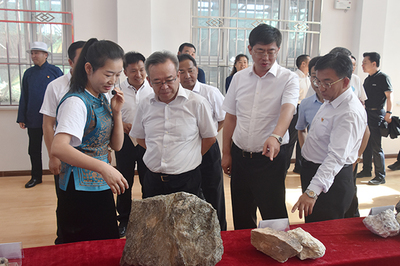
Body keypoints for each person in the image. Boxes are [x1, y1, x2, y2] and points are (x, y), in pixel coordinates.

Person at [51, 38, 129, 244]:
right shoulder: (76, 101)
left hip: (99, 184)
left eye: (117, 75)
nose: (112, 81)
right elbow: (59, 147)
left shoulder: (101, 97)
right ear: (88, 68)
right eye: (108, 74)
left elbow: (117, 145)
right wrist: (103, 168)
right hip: (79, 189)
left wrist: (117, 113)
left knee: (103, 244)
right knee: (83, 248)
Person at [221, 24, 299, 230]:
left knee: (273, 211)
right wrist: (227, 153)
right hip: (240, 156)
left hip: (270, 159)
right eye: (260, 51)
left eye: (271, 51)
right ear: (250, 50)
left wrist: (276, 136)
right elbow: (230, 118)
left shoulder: (288, 78)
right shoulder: (238, 79)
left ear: (278, 50)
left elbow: (288, 110)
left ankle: (279, 253)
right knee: (242, 211)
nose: (265, 57)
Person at [291, 53, 367, 223]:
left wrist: (312, 192)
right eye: (317, 81)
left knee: (325, 230)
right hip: (314, 171)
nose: (321, 88)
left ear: (346, 81)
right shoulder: (332, 98)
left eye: (327, 82)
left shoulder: (348, 112)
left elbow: (335, 157)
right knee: (314, 225)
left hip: (330, 182)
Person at [130, 51, 217, 200]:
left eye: (169, 80)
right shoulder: (145, 104)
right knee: (154, 223)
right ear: (149, 81)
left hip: (187, 181)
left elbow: (209, 138)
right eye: (157, 82)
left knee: (186, 223)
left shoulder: (197, 103)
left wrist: (187, 156)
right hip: (153, 180)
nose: (164, 87)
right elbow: (140, 138)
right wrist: (161, 153)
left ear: (177, 76)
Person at [178, 53, 227, 231]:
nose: (187, 75)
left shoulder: (210, 92)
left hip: (209, 148)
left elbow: (224, 118)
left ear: (197, 70)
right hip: (185, 150)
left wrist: (210, 134)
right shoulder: (175, 95)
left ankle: (220, 230)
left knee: (213, 190)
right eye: (181, 72)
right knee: (190, 191)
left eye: (190, 70)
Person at [40, 41, 86, 195]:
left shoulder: (98, 86)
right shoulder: (56, 86)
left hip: (91, 156)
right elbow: (48, 124)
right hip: (65, 155)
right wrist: (53, 156)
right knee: (67, 201)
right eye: (82, 59)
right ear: (70, 62)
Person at [115, 52, 153, 237]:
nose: (138, 74)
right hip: (125, 142)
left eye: (141, 69)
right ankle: (124, 219)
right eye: (133, 71)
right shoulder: (116, 90)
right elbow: (110, 114)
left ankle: (148, 218)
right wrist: (121, 125)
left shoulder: (153, 88)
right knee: (124, 181)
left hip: (147, 142)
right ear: (125, 72)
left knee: (148, 180)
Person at [17, 41, 63, 188]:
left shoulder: (56, 71)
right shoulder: (28, 74)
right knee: (34, 149)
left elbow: (64, 94)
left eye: (36, 53)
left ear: (45, 55)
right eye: (32, 53)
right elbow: (24, 96)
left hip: (53, 118)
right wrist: (22, 117)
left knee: (58, 147)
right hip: (33, 117)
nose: (33, 55)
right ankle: (36, 176)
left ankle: (60, 174)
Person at [357, 52, 392, 185]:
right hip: (367, 114)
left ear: (374, 63)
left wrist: (388, 113)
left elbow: (389, 96)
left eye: (364, 62)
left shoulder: (383, 77)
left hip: (378, 114)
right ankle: (366, 170)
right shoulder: (368, 79)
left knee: (376, 146)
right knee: (366, 144)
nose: (362, 65)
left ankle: (380, 176)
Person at [284, 54, 311, 174]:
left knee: (304, 138)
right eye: (309, 63)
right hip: (296, 109)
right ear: (303, 64)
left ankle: (300, 166)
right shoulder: (294, 77)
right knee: (291, 138)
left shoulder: (309, 78)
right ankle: (285, 165)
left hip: (307, 109)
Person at [296, 56, 323, 149]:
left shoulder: (343, 104)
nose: (318, 82)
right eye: (314, 76)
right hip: (297, 107)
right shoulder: (307, 103)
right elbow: (302, 130)